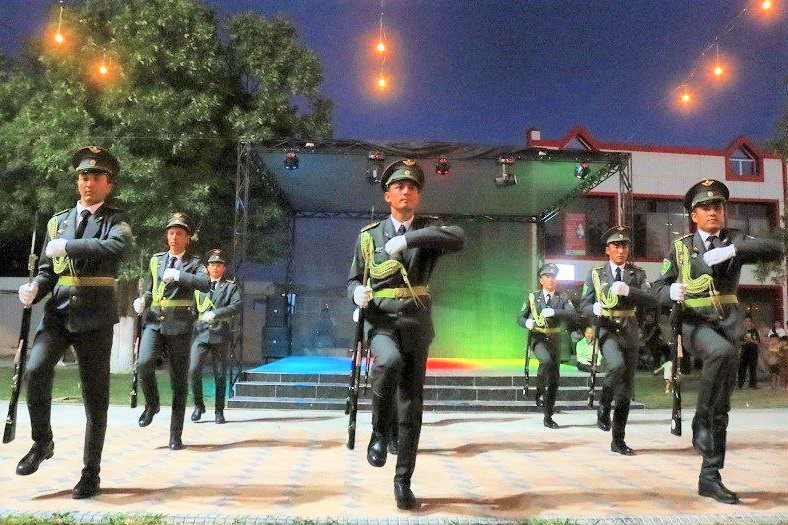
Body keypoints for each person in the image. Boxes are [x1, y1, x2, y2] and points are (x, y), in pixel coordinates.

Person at [652, 179, 783, 504]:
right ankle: (700, 418)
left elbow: (775, 249)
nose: (713, 212)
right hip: (694, 324)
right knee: (721, 353)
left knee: (722, 407)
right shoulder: (681, 247)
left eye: (717, 207)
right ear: (693, 215)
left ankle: (709, 476)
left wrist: (733, 250)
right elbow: (657, 288)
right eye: (705, 207)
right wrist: (670, 291)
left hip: (728, 325)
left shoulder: (734, 239)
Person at [347, 159, 464, 510]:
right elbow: (353, 279)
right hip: (381, 320)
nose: (406, 191)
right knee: (389, 361)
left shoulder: (428, 232)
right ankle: (380, 430)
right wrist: (356, 294)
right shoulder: (369, 236)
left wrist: (407, 239)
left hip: (416, 322)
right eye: (399, 186)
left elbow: (458, 237)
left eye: (412, 187)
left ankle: (403, 480)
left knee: (412, 403)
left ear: (418, 196)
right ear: (387, 195)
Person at [15, 146, 132, 498]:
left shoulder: (115, 221)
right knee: (35, 369)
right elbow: (48, 270)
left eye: (96, 177)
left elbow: (116, 248)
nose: (88, 182)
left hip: (95, 316)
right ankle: (42, 442)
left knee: (95, 398)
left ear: (109, 184)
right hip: (58, 313)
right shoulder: (58, 221)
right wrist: (35, 288)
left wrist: (69, 246)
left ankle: (90, 473)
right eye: (83, 176)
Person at [133, 212, 210, 450]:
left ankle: (175, 436)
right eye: (171, 233)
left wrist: (179, 275)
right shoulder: (156, 260)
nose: (174, 238)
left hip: (180, 325)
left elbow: (205, 284)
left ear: (187, 238)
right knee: (143, 363)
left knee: (178, 381)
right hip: (155, 321)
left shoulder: (194, 263)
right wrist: (143, 301)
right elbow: (151, 288)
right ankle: (152, 403)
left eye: (179, 233)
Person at [580, 226, 656, 456]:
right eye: (616, 246)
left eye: (624, 246)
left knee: (625, 391)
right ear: (608, 250)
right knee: (615, 365)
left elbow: (651, 299)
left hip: (629, 330)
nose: (621, 250)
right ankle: (604, 403)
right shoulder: (595, 274)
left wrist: (629, 291)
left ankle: (618, 440)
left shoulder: (637, 274)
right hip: (606, 329)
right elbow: (584, 303)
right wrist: (593, 308)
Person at [517, 262, 579, 428]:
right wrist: (526, 322)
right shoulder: (533, 297)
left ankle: (548, 416)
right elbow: (520, 317)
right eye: (547, 276)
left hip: (555, 339)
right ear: (541, 280)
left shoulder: (562, 297)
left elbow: (573, 314)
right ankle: (539, 389)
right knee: (545, 361)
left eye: (553, 277)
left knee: (553, 379)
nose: (551, 279)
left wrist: (555, 312)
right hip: (538, 337)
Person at [188, 249, 242, 425]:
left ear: (224, 268)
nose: (215, 267)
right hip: (200, 334)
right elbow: (193, 309)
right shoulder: (199, 287)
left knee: (219, 375)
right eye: (212, 264)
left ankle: (219, 411)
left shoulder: (230, 287)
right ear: (207, 267)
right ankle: (199, 406)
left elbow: (237, 306)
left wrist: (216, 313)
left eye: (219, 264)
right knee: (193, 370)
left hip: (220, 334)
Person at [738, 315, 760, 389]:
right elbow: (739, 342)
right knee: (742, 368)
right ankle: (740, 384)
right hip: (744, 352)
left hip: (753, 352)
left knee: (753, 368)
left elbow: (758, 342)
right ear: (743, 322)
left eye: (749, 321)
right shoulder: (741, 331)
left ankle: (752, 384)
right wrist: (745, 342)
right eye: (746, 321)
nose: (748, 322)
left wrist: (751, 340)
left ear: (751, 322)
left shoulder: (754, 331)